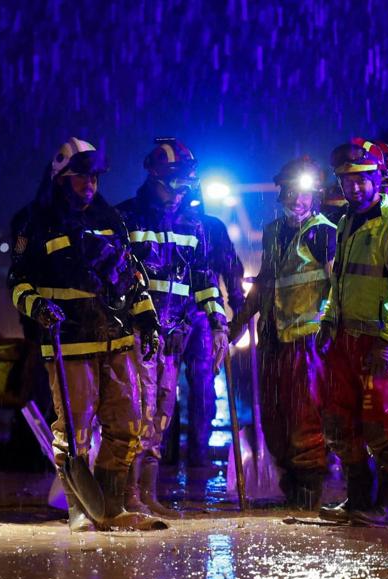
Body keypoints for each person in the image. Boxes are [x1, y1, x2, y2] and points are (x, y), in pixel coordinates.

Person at [8, 138, 161, 532]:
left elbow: (132, 277)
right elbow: (18, 283)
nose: (89, 185)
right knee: (74, 431)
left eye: (93, 178)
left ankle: (109, 506)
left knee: (127, 426)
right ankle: (78, 506)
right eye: (80, 178)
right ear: (61, 179)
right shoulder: (35, 222)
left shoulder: (111, 219)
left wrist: (147, 320)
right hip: (70, 340)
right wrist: (38, 307)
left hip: (117, 337)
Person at [118, 138, 229, 517]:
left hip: (174, 337)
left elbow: (204, 279)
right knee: (136, 414)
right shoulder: (127, 219)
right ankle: (126, 493)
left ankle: (147, 494)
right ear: (155, 176)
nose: (184, 189)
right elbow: (117, 281)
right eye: (177, 181)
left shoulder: (192, 225)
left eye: (187, 181)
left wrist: (218, 324)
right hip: (137, 336)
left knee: (161, 415)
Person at [315, 140, 388, 527]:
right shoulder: (345, 224)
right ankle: (358, 498)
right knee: (341, 421)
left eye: (361, 179)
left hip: (380, 342)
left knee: (384, 421)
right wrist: (328, 321)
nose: (354, 188)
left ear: (378, 178)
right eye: (346, 180)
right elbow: (338, 282)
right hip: (345, 337)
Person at [230, 155, 336, 509]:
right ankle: (290, 483)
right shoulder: (274, 231)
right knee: (274, 419)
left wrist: (331, 324)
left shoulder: (324, 233)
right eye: (291, 191)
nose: (297, 199)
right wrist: (238, 321)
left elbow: (338, 285)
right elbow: (265, 281)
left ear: (315, 195)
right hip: (273, 340)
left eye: (304, 192)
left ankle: (309, 490)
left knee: (304, 419)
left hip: (308, 342)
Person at [183, 201, 244, 468]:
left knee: (202, 386)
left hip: (202, 318)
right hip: (170, 317)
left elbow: (230, 268)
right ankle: (163, 453)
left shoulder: (212, 228)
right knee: (160, 389)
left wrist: (238, 311)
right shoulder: (160, 220)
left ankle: (197, 454)